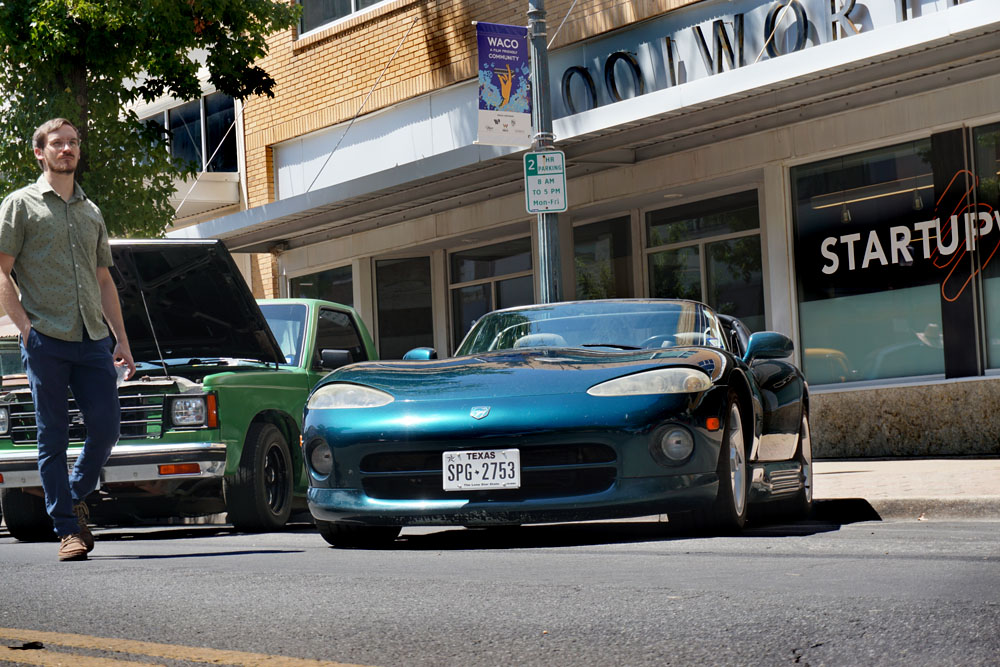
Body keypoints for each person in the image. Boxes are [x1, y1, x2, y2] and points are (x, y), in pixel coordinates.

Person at [0, 118, 135, 561]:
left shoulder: (91, 211)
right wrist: (24, 326)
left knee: (107, 427)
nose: (67, 149)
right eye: (57, 143)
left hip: (92, 338)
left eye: (72, 143)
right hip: (47, 338)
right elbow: (1, 270)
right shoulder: (19, 205)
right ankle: (67, 531)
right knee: (52, 437)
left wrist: (121, 339)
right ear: (39, 152)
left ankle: (72, 496)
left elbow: (104, 280)